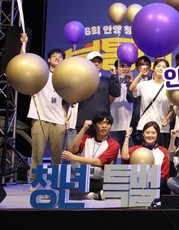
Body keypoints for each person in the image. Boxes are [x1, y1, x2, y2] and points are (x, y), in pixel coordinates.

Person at [25, 47, 70, 177]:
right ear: (49, 59)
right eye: (54, 56)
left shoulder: (65, 78)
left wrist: (65, 117)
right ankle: (35, 180)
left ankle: (56, 180)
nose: (57, 58)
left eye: (60, 57)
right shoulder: (40, 75)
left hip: (58, 120)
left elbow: (64, 102)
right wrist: (24, 44)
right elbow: (23, 64)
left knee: (57, 155)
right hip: (40, 118)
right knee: (37, 153)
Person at [61, 112, 120, 200]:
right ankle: (92, 195)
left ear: (110, 126)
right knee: (65, 185)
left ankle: (88, 194)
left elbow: (99, 162)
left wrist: (74, 158)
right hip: (82, 178)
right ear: (95, 126)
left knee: (110, 187)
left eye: (107, 124)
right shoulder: (86, 138)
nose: (104, 126)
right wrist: (84, 128)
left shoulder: (114, 144)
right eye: (100, 123)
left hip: (99, 179)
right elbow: (72, 149)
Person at [129, 57, 174, 148]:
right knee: (143, 153)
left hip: (162, 127)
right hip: (145, 126)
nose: (161, 69)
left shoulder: (170, 87)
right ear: (153, 69)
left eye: (164, 67)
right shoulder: (145, 84)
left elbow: (172, 107)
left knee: (160, 153)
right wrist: (141, 73)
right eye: (158, 66)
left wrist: (167, 118)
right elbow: (132, 88)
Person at [75, 51, 120, 134]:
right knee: (83, 142)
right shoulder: (81, 78)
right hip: (84, 119)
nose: (96, 64)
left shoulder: (107, 79)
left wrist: (114, 75)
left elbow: (116, 93)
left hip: (102, 121)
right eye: (93, 61)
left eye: (99, 62)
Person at [121, 122, 171, 193]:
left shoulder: (163, 151)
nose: (150, 135)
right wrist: (127, 136)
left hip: (156, 184)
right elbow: (125, 157)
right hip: (136, 182)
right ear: (143, 134)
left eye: (153, 133)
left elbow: (164, 174)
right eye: (147, 132)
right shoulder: (136, 149)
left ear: (157, 135)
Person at [108, 59, 134, 147]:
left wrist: (131, 80)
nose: (125, 69)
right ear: (116, 68)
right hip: (114, 125)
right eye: (122, 66)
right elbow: (109, 101)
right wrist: (115, 77)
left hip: (128, 126)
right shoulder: (110, 82)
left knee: (129, 153)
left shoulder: (132, 83)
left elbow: (132, 98)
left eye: (127, 66)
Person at [128, 55, 152, 143]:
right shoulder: (133, 81)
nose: (144, 67)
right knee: (137, 142)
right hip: (138, 116)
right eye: (141, 65)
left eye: (147, 65)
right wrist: (131, 81)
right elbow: (130, 98)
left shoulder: (155, 80)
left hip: (153, 114)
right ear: (137, 68)